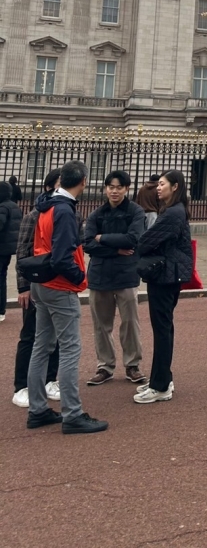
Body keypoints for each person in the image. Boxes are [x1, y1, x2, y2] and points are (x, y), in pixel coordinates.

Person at [26, 160, 108, 434]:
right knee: (70, 349)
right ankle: (72, 414)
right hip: (59, 286)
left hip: (42, 283)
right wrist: (78, 277)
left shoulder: (47, 205)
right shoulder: (64, 210)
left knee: (41, 346)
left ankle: (37, 409)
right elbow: (62, 257)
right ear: (83, 181)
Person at [82, 170, 147, 386]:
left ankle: (132, 364)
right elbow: (87, 243)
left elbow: (132, 239)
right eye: (111, 187)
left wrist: (102, 238)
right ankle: (105, 366)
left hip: (126, 274)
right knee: (101, 325)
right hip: (99, 274)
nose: (114, 191)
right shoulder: (96, 214)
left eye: (119, 187)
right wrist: (116, 249)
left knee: (130, 323)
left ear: (126, 189)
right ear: (105, 189)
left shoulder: (136, 211)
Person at [134, 169, 193, 404]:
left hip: (166, 276)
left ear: (175, 186)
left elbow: (145, 241)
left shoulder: (173, 213)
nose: (158, 188)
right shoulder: (174, 210)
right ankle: (162, 378)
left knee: (162, 330)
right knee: (164, 328)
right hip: (169, 274)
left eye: (162, 184)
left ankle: (160, 387)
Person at [12, 170, 61, 408]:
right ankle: (22, 385)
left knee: (57, 336)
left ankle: (50, 379)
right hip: (35, 283)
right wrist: (23, 286)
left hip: (59, 284)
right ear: (48, 187)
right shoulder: (33, 215)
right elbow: (22, 252)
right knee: (30, 335)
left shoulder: (67, 213)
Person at [0, 181, 23, 322]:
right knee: (2, 278)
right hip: (8, 249)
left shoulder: (3, 207)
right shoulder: (15, 206)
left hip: (1, 248)